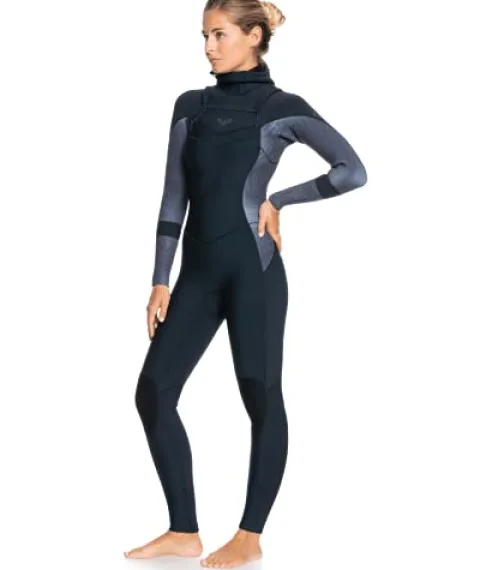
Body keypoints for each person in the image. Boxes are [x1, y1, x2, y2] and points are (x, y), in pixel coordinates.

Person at [124, 0, 367, 567]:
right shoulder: (190, 106)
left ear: (254, 37)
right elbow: (173, 198)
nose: (209, 46)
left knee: (260, 397)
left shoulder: (281, 107)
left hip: (254, 273)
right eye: (204, 36)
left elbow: (351, 171)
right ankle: (183, 530)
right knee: (153, 391)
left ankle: (249, 536)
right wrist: (160, 280)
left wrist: (279, 200)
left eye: (220, 35)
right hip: (196, 277)